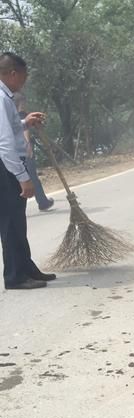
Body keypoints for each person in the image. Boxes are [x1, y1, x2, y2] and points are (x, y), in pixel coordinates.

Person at [0, 52, 55, 290]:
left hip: (9, 166)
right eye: (23, 74)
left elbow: (10, 128)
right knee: (11, 223)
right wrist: (23, 177)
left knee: (18, 222)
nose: (25, 79)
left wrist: (25, 122)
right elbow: (4, 143)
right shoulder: (0, 98)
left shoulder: (6, 96)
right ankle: (15, 276)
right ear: (13, 73)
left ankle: (26, 267)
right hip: (7, 168)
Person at [14, 93, 54, 212]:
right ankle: (43, 202)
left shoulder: (11, 116)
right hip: (24, 150)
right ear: (21, 102)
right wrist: (28, 144)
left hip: (14, 152)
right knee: (32, 177)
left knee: (17, 179)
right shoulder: (22, 114)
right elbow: (25, 131)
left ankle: (17, 207)